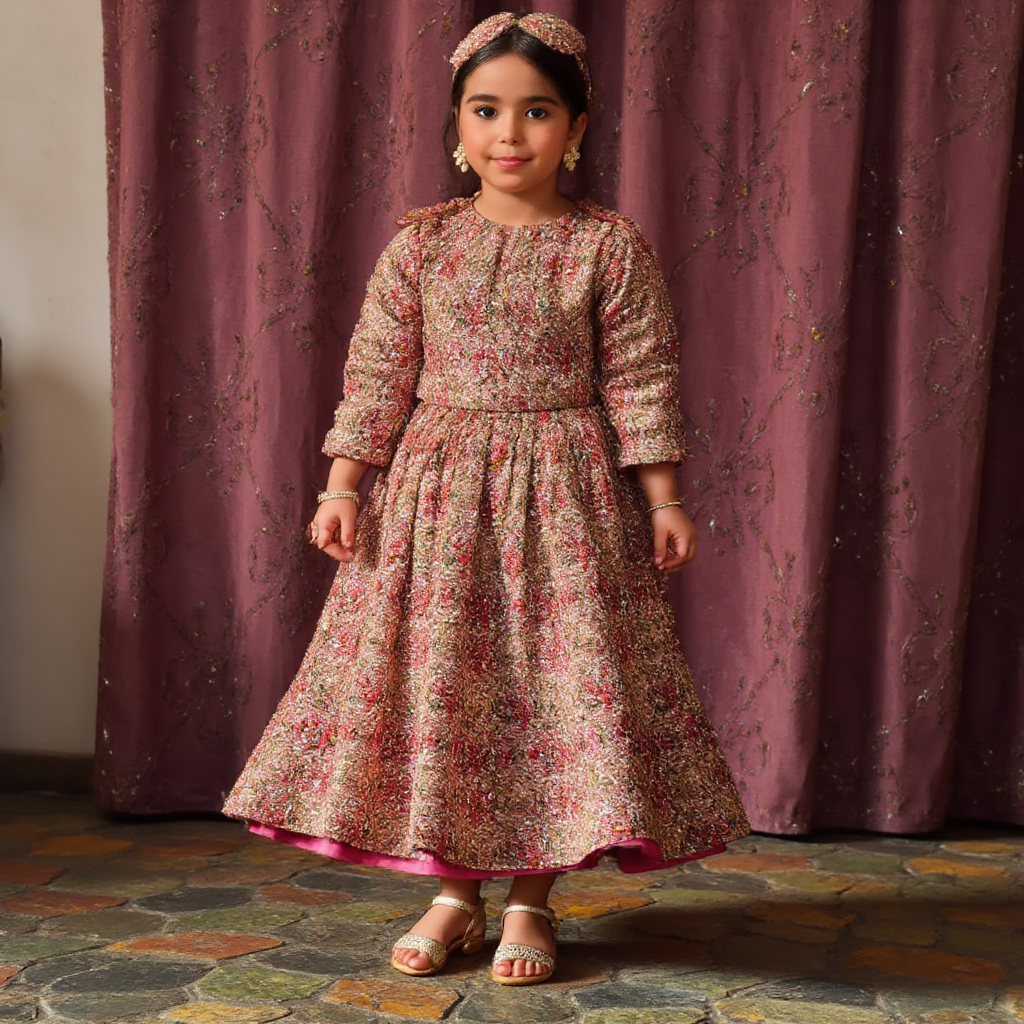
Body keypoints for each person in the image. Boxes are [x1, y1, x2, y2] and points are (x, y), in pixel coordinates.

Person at [223, 10, 750, 987]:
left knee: (547, 695)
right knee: (445, 689)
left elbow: (641, 377)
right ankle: (453, 889)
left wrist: (665, 499)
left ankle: (529, 899)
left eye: (537, 111)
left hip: (565, 498)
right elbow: (377, 374)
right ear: (457, 129)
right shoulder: (420, 250)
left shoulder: (606, 249)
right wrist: (345, 484)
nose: (510, 133)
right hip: (434, 498)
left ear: (578, 128)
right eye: (486, 110)